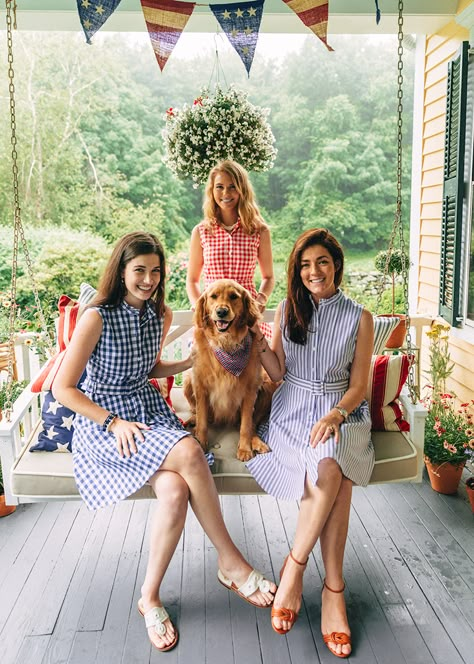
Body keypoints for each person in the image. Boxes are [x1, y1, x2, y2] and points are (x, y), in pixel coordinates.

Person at [53, 232, 276, 653]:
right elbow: (65, 388)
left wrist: (190, 362)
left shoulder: (159, 313)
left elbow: (150, 367)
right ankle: (231, 562)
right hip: (107, 422)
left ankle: (149, 597)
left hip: (146, 410)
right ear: (121, 271)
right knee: (192, 449)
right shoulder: (96, 317)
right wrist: (113, 422)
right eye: (139, 270)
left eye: (156, 271)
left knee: (174, 491)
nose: (148, 280)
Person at [247, 228, 375, 658]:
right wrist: (260, 344)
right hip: (291, 409)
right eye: (304, 265)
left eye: (321, 262)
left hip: (340, 409)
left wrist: (336, 414)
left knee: (331, 463)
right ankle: (333, 590)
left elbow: (359, 385)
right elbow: (279, 370)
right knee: (334, 477)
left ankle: (294, 568)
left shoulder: (360, 316)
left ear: (336, 263)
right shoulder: (287, 308)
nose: (313, 272)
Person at [186, 159, 274, 337]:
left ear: (243, 190)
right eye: (219, 187)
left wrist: (261, 299)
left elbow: (269, 277)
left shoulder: (259, 230)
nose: (226, 193)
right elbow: (192, 280)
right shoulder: (201, 231)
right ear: (212, 191)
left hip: (245, 318)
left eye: (232, 186)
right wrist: (199, 308)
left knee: (258, 363)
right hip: (213, 320)